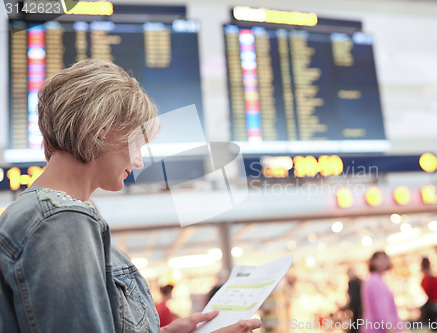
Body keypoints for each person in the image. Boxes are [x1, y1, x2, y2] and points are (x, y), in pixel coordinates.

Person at [0, 59, 261, 333]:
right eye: (137, 143)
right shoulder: (61, 222)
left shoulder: (47, 215)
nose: (138, 162)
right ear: (100, 129)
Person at [361, 251, 403, 333]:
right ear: (373, 262)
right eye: (380, 259)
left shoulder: (376, 280)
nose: (384, 262)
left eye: (385, 259)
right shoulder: (375, 282)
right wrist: (391, 329)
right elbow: (382, 310)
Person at [346, 267, 363, 333]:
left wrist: (349, 307)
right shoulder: (360, 281)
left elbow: (353, 297)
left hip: (356, 307)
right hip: (361, 307)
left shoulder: (352, 283)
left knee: (355, 325)